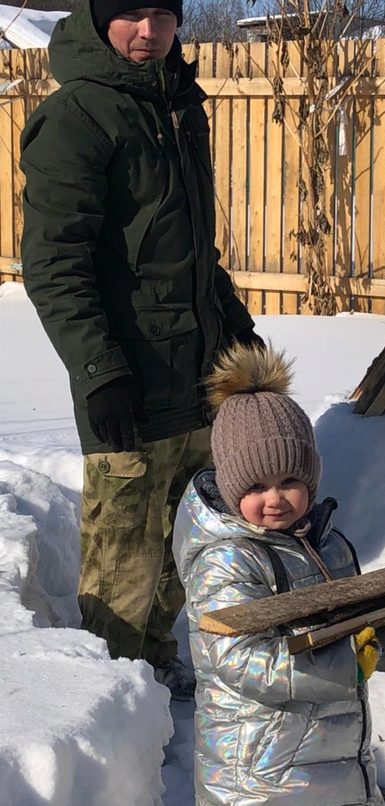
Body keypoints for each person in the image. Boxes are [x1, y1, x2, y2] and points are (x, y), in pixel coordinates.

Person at [19, 0, 262, 699]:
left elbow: (192, 255)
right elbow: (55, 265)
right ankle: (112, 707)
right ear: (98, 18)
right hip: (125, 380)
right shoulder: (80, 116)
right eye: (130, 14)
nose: (148, 32)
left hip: (196, 375)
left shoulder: (179, 108)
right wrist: (99, 371)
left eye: (163, 15)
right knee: (123, 566)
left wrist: (235, 327)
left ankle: (155, 666)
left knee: (182, 548)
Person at [172, 344, 385, 806]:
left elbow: (352, 631)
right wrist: (349, 666)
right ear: (229, 485)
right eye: (255, 486)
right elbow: (237, 659)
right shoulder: (227, 557)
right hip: (261, 794)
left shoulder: (326, 545)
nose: (275, 498)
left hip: (322, 785)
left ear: (312, 478)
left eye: (289, 481)